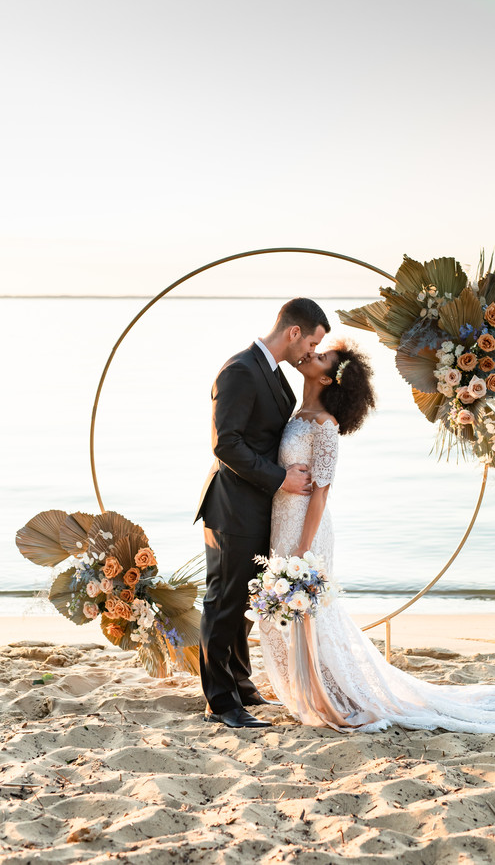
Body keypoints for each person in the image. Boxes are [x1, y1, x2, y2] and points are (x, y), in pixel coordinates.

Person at [260, 341, 495, 733]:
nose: (311, 355)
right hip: (282, 521)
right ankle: (310, 690)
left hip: (307, 529)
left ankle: (326, 696)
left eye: (321, 357)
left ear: (326, 377)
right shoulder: (298, 413)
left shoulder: (326, 424)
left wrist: (303, 550)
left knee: (311, 612)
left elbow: (321, 492)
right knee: (296, 612)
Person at [194, 298, 331, 728]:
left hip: (258, 508)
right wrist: (280, 478)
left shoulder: (273, 373)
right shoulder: (239, 370)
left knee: (243, 602)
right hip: (232, 506)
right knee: (223, 601)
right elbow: (226, 443)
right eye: (311, 342)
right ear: (293, 333)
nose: (310, 352)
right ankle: (220, 703)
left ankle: (241, 685)